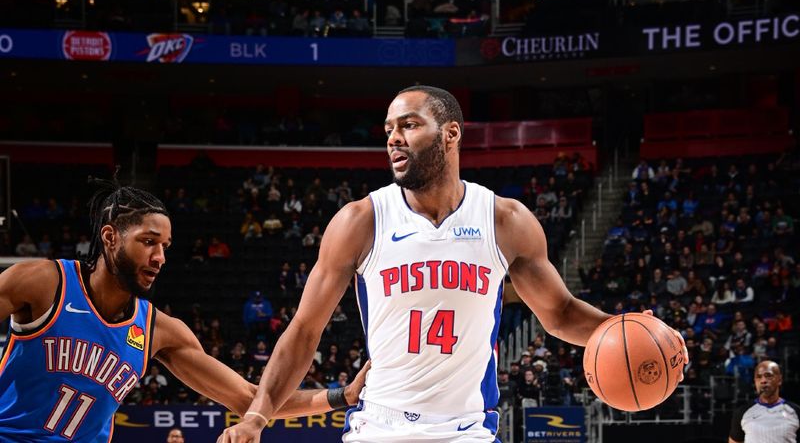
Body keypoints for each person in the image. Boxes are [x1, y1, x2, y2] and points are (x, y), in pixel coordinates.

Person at [218, 86, 687, 443]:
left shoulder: (504, 220)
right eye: (388, 130)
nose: (394, 139)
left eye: (408, 125)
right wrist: (258, 415)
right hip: (380, 425)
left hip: (467, 429)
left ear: (451, 133)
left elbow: (560, 313)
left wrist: (628, 329)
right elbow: (303, 331)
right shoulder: (361, 220)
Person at [0, 178, 367, 442]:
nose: (159, 257)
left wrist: (343, 396)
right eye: (148, 242)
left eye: (165, 246)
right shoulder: (43, 282)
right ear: (110, 237)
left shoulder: (160, 331)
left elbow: (250, 398)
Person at [729, 361, 799, 443]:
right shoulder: (742, 412)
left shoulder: (795, 411)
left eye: (768, 376)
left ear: (779, 380)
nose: (763, 381)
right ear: (755, 382)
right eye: (759, 377)